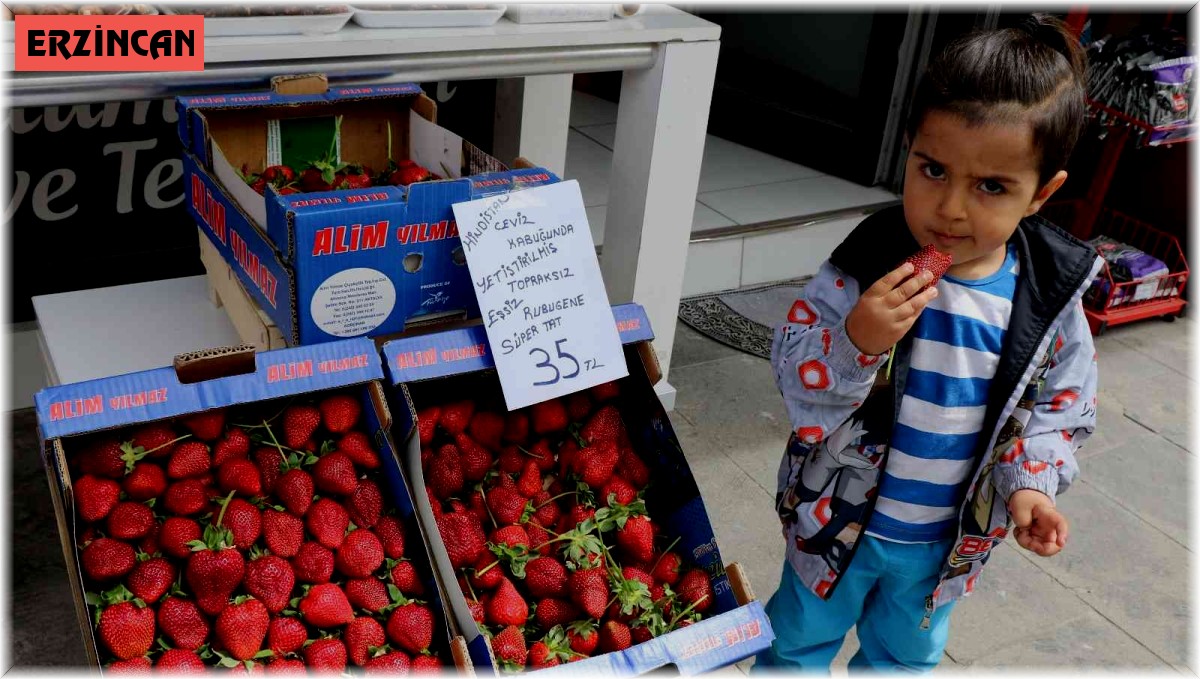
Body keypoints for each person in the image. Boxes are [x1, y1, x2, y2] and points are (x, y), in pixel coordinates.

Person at [756, 14, 1103, 673]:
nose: (950, 208)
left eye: (991, 187)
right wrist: (855, 339)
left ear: (1042, 193)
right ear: (910, 148)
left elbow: (1065, 404)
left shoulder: (1048, 299)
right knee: (792, 645)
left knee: (903, 659)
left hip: (943, 546)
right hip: (833, 525)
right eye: (934, 169)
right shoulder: (868, 260)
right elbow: (791, 364)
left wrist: (1031, 484)